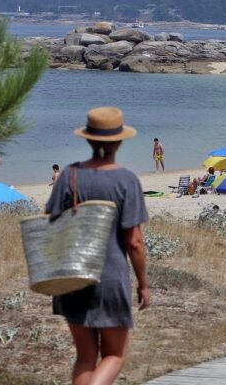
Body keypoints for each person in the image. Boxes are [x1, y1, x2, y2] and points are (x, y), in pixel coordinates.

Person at [47, 106, 150, 385]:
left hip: (73, 276)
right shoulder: (126, 180)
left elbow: (52, 226)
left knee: (84, 357)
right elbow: (134, 242)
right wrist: (143, 283)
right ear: (119, 141)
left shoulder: (69, 176)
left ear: (89, 139)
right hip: (110, 277)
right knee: (114, 355)